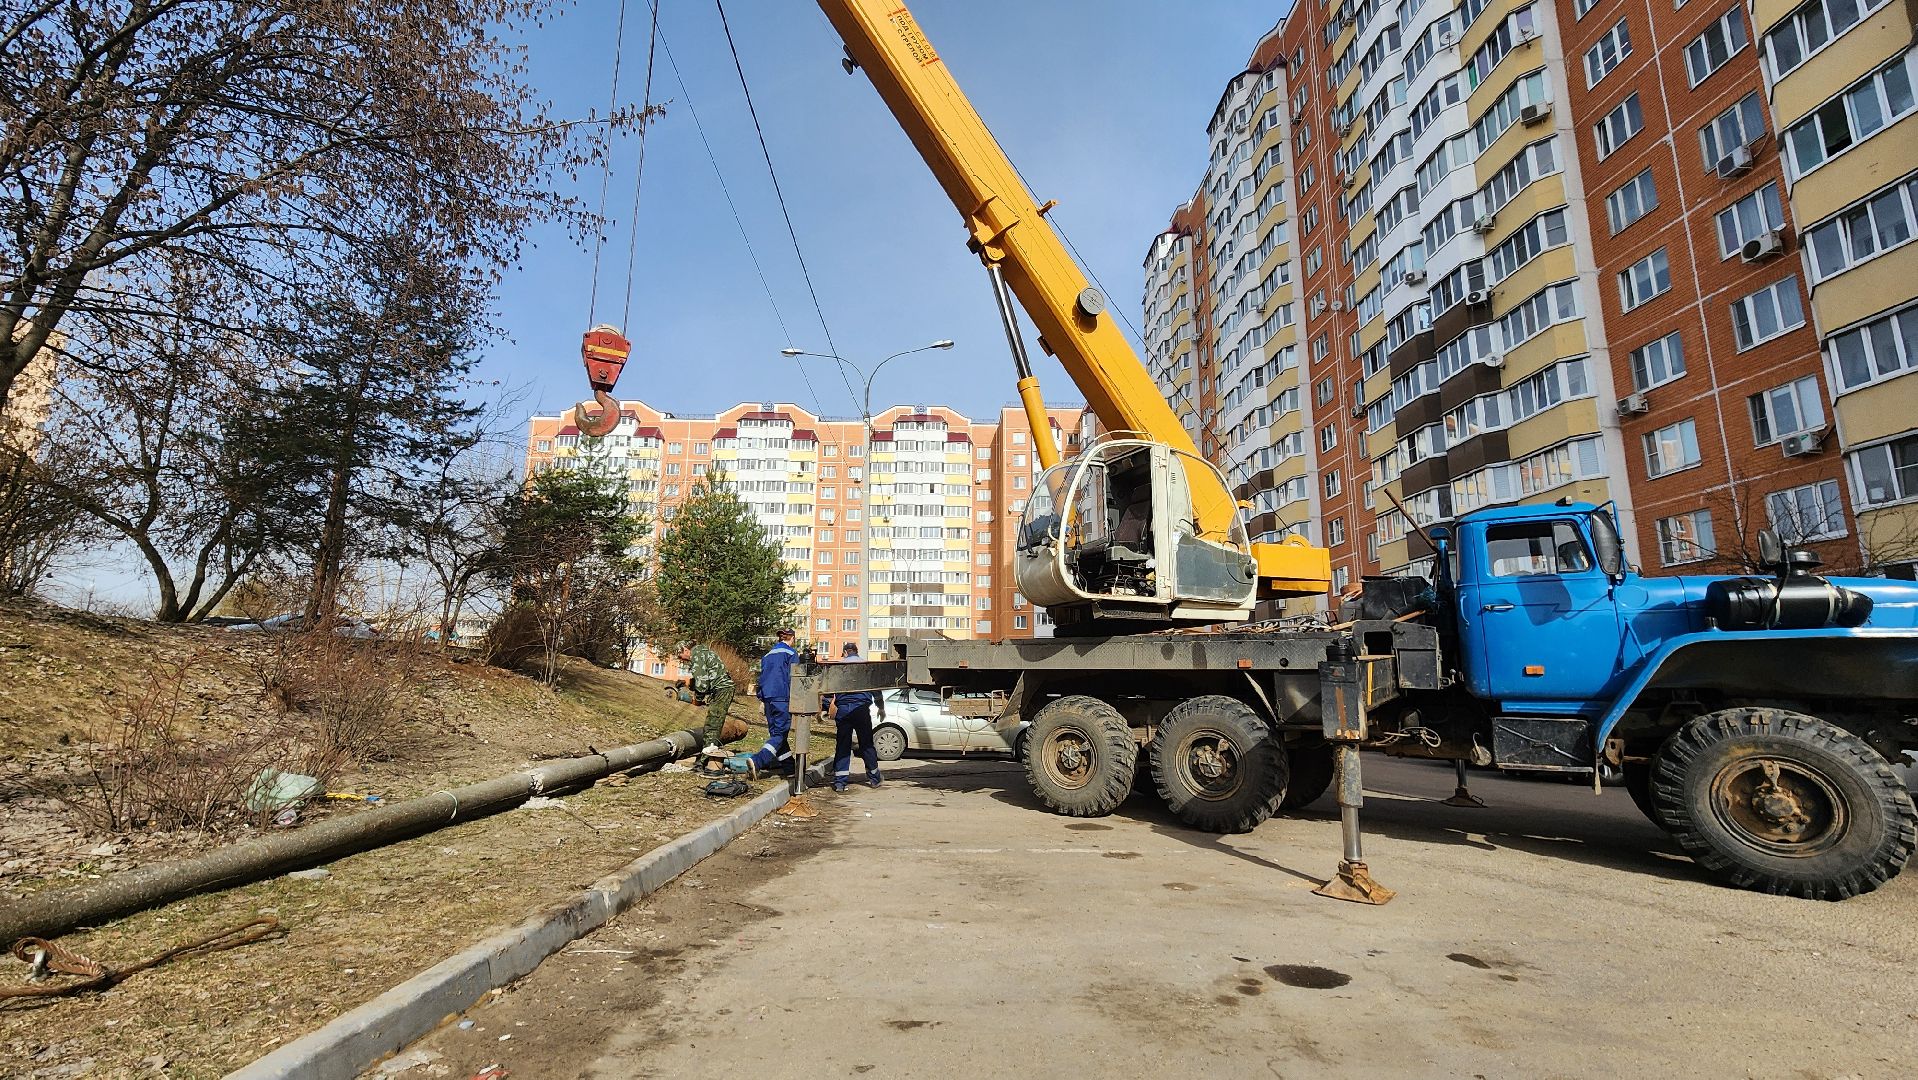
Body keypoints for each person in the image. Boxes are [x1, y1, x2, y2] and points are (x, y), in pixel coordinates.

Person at [727, 628, 798, 778]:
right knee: (780, 734)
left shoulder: (767, 655)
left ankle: (790, 768)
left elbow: (762, 678)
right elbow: (795, 678)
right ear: (792, 639)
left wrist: (762, 698)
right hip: (782, 697)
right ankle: (757, 761)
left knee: (777, 735)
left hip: (768, 699)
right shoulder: (791, 654)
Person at [825, 642, 882, 792]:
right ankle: (874, 778)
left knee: (843, 744)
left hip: (843, 710)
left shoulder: (838, 666)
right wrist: (881, 707)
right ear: (857, 651)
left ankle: (840, 783)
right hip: (861, 709)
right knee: (866, 744)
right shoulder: (865, 665)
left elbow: (829, 689)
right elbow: (876, 689)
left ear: (845, 652)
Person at [677, 641, 736, 752]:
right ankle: (709, 756)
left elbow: (702, 685)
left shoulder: (696, 656)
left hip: (722, 690)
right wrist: (688, 683)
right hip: (722, 689)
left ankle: (708, 762)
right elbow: (708, 678)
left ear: (685, 650)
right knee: (713, 723)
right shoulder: (702, 652)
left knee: (712, 726)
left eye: (681, 656)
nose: (682, 660)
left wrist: (697, 700)